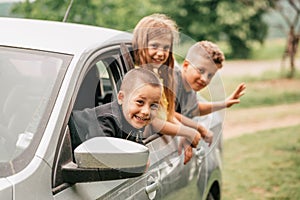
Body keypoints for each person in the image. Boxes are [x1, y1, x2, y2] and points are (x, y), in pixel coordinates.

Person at [132, 13, 210, 164]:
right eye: (154, 46)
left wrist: (188, 133)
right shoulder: (140, 78)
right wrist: (186, 131)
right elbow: (153, 121)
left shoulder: (158, 77)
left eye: (166, 47)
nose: (161, 53)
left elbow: (167, 115)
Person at [69, 68, 163, 149]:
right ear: (121, 98)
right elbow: (100, 157)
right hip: (60, 136)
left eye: (153, 105)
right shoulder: (106, 120)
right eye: (140, 102)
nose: (146, 111)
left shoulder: (135, 120)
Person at [174, 40, 246, 119]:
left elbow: (194, 109)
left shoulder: (190, 88)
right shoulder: (173, 82)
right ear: (186, 65)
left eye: (210, 75)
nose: (204, 79)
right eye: (201, 70)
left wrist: (224, 104)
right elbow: (169, 114)